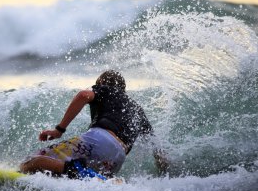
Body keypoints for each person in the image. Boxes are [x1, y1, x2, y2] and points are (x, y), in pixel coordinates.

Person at [19, 70, 167, 178]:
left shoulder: (107, 89)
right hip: (117, 158)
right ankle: (81, 173)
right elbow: (158, 151)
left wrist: (59, 130)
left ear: (101, 83)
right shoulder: (138, 111)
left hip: (99, 140)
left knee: (31, 161)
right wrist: (165, 172)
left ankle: (74, 170)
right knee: (71, 177)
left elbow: (83, 95)